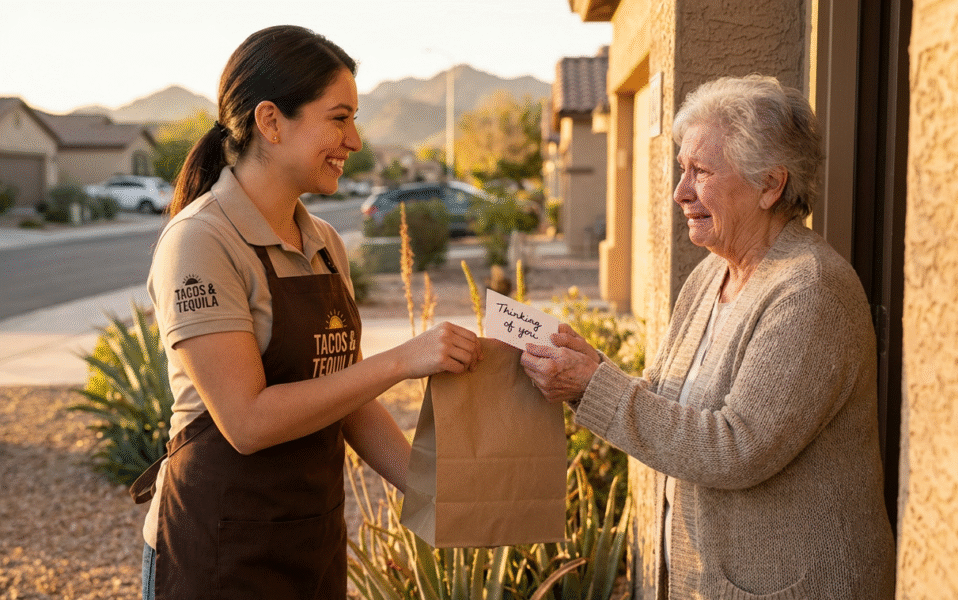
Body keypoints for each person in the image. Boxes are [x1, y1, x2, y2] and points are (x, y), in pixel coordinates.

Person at [133, 25, 482, 599]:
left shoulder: (322, 240)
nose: (357, 139)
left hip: (309, 542)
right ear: (270, 122)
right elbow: (246, 422)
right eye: (339, 118)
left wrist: (435, 489)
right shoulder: (201, 241)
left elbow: (346, 398)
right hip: (217, 550)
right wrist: (401, 361)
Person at [521, 75, 895, 598]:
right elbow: (669, 402)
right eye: (683, 170)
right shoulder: (709, 274)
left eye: (701, 172)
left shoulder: (810, 291)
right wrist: (591, 370)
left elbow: (736, 447)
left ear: (771, 184)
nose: (681, 193)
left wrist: (592, 386)